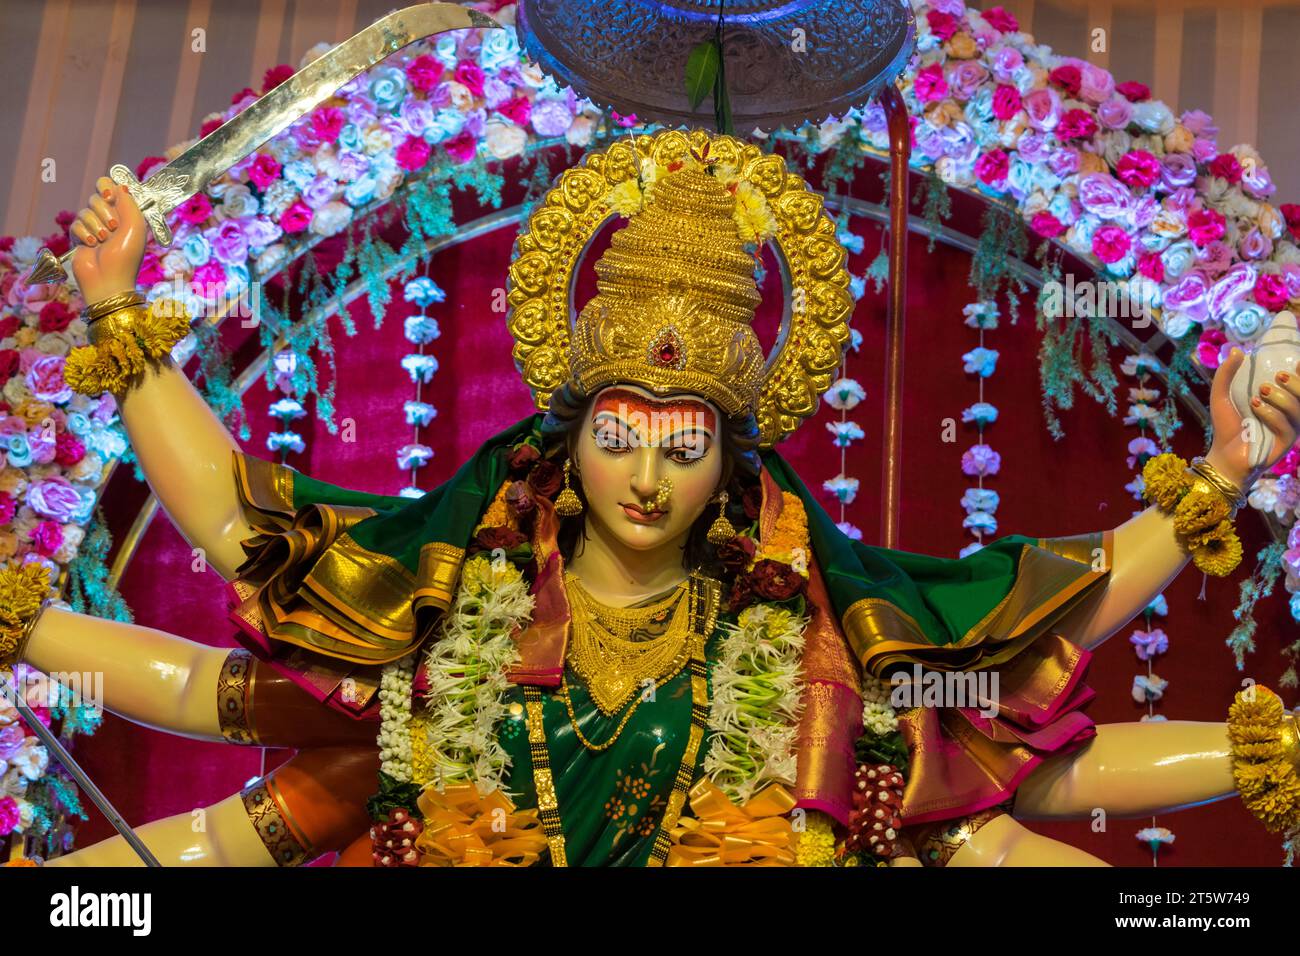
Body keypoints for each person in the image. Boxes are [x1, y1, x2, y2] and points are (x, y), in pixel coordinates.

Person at [9, 128, 1300, 867]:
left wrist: (1258, 754)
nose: (645, 477)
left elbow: (1029, 757)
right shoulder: (443, 619)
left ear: (733, 462)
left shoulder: (824, 655)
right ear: (568, 436)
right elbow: (211, 677)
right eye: (619, 435)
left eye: (685, 447)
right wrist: (28, 630)